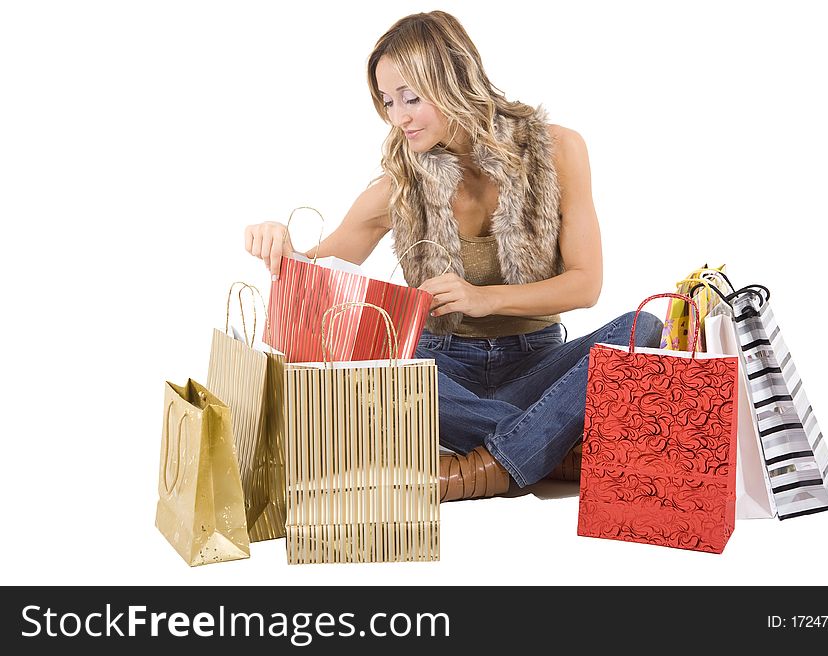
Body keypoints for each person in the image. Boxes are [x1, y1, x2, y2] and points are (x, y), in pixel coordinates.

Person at [244, 11, 663, 502]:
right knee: (367, 366)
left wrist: (482, 298)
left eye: (411, 98)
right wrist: (276, 239)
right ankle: (547, 443)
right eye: (386, 100)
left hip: (535, 366)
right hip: (440, 375)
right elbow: (316, 275)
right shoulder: (396, 187)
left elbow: (585, 285)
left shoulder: (558, 151)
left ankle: (475, 465)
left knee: (645, 328)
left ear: (455, 80)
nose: (398, 116)